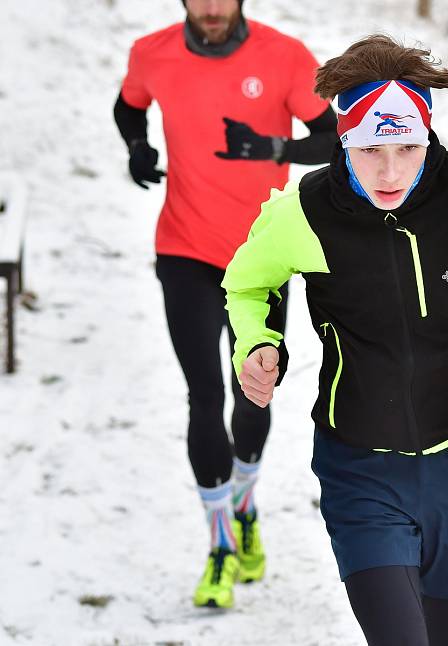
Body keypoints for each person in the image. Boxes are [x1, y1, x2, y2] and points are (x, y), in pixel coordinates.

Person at [222, 35, 448, 645]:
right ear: (344, 139)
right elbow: (247, 285)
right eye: (370, 150)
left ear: (428, 135)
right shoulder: (303, 211)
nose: (391, 171)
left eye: (408, 147)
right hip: (359, 466)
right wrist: (257, 345)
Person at [113, 0, 337, 608]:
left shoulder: (284, 56)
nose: (212, 9)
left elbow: (336, 136)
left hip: (261, 258)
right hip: (183, 248)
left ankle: (244, 506)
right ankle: (219, 546)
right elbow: (128, 105)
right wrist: (137, 146)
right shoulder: (152, 53)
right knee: (204, 395)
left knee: (252, 390)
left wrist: (272, 147)